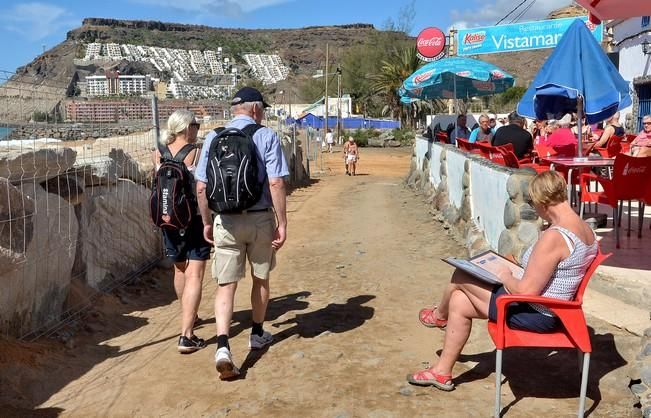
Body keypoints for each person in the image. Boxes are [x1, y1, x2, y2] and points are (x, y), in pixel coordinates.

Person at [410, 171, 598, 391]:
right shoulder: (585, 228)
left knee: (460, 275)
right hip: (553, 309)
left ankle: (438, 316)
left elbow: (528, 292)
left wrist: (505, 275)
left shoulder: (555, 237)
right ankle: (441, 373)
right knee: (459, 301)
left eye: (533, 204)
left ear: (542, 202)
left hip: (536, 313)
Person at [195, 87, 289, 380]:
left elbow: (201, 187)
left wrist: (207, 222)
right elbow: (276, 183)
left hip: (226, 220)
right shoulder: (266, 136)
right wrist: (282, 222)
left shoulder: (213, 136)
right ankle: (257, 334)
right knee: (261, 277)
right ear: (256, 109)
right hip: (260, 219)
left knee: (226, 285)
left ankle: (223, 345)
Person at [152, 109, 211, 354]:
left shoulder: (159, 152)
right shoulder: (196, 152)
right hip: (194, 219)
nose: (197, 129)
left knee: (180, 269)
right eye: (195, 125)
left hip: (168, 220)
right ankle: (186, 335)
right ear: (187, 128)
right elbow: (201, 189)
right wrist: (208, 219)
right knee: (195, 274)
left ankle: (189, 315)